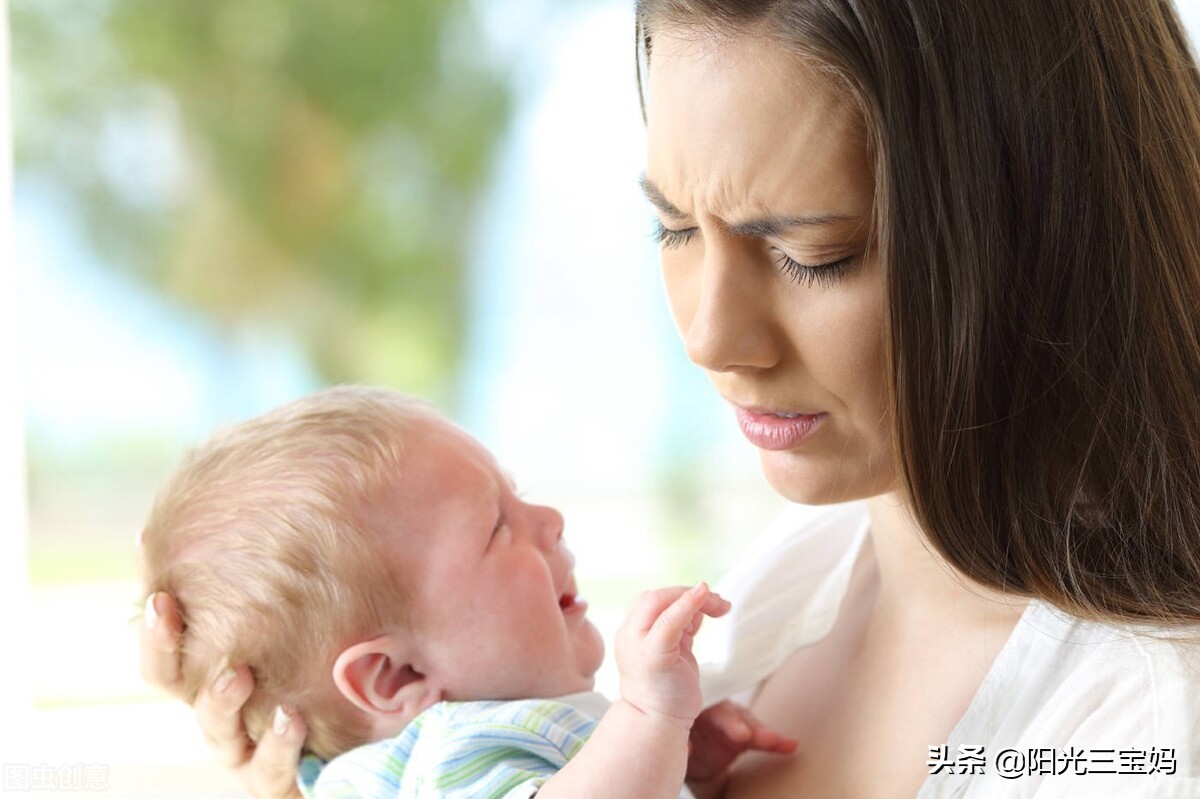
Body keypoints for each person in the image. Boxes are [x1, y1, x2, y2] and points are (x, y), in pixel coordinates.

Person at [141, 0, 1200, 795]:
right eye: (675, 230)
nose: (708, 336)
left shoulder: (1146, 721)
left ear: (1044, 235)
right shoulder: (789, 587)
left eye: (811, 252)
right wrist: (346, 758)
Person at [138, 385, 794, 798]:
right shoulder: (456, 751)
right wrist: (650, 718)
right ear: (397, 675)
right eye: (497, 526)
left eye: (521, 495)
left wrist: (676, 758)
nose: (550, 521)